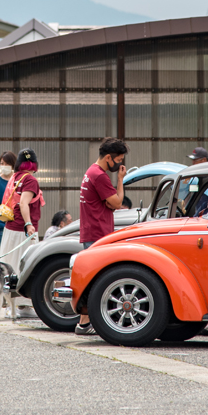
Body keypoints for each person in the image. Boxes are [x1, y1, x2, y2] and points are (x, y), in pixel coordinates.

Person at [75, 138, 128, 335]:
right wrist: (120, 181)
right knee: (97, 280)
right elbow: (116, 202)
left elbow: (108, 202)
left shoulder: (91, 172)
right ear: (108, 157)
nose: (120, 165)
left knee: (93, 278)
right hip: (98, 233)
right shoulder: (100, 176)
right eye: (119, 160)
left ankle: (85, 322)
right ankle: (84, 323)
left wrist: (110, 201)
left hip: (92, 231)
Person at [0, 148, 43, 316]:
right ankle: (23, 306)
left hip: (10, 228)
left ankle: (10, 306)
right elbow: (24, 204)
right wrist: (29, 224)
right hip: (23, 230)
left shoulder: (15, 177)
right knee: (25, 267)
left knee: (9, 265)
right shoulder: (30, 179)